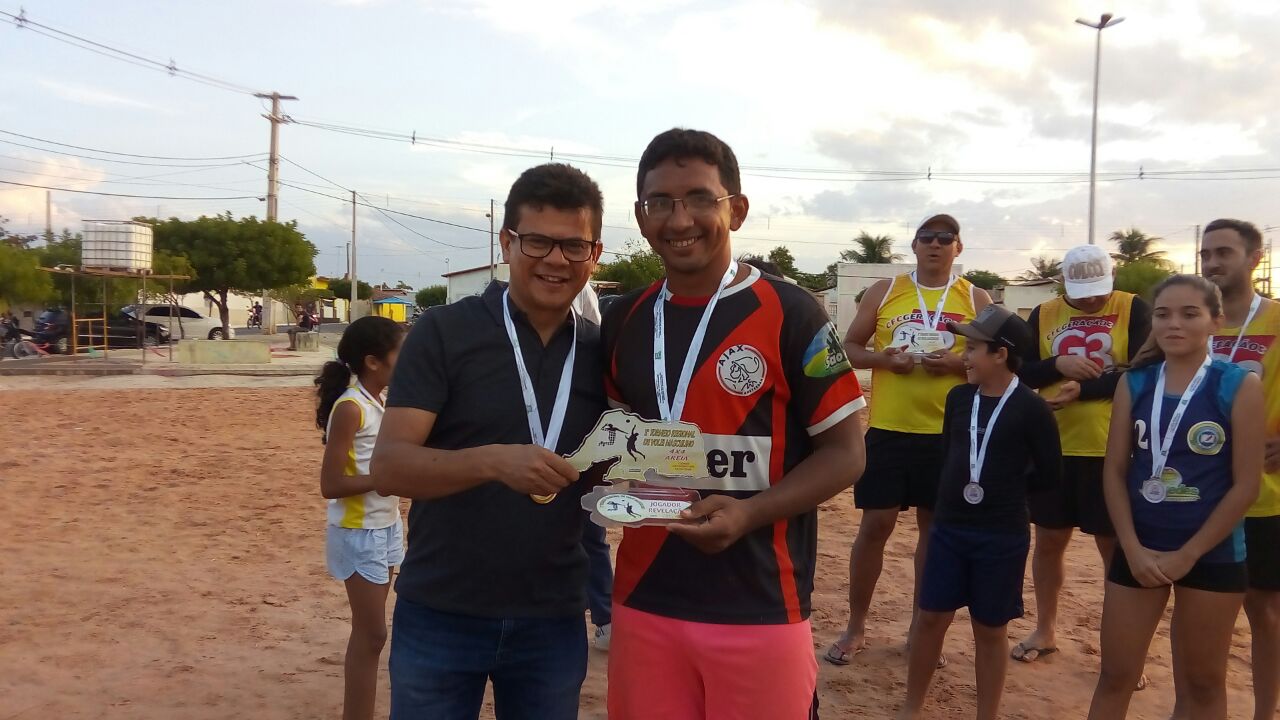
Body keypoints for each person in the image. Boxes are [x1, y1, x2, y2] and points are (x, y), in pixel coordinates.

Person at [601, 128, 867, 719]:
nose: (679, 219)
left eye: (699, 198)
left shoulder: (791, 310)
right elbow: (612, 440)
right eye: (659, 203)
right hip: (646, 598)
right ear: (641, 218)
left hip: (760, 604)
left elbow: (846, 454)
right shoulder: (623, 319)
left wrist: (749, 512)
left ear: (736, 210)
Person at [371, 163, 608, 720]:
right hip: (442, 610)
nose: (555, 259)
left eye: (574, 245)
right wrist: (492, 462)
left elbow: (619, 459)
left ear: (594, 254)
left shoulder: (605, 349)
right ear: (507, 243)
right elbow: (389, 466)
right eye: (538, 241)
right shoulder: (444, 332)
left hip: (553, 616)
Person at [1087, 275, 1263, 720]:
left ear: (1215, 322)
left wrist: (1189, 554)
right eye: (1163, 314)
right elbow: (1114, 470)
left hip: (1211, 554)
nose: (1174, 324)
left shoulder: (1238, 385)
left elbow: (1246, 485)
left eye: (1190, 314)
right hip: (1140, 547)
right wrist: (1129, 548)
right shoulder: (1136, 382)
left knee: (1202, 685)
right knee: (1115, 677)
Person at [830, 213, 992, 665]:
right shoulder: (885, 290)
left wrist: (958, 364)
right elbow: (851, 347)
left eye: (946, 238)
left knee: (933, 534)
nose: (936, 245)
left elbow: (995, 362)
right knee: (874, 529)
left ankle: (921, 632)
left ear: (958, 248)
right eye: (927, 238)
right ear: (915, 245)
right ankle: (856, 626)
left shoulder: (975, 298)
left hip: (948, 434)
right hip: (888, 429)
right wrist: (883, 360)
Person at [899, 304, 1061, 720]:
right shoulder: (959, 398)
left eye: (973, 347)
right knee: (931, 618)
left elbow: (1048, 473)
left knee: (990, 630)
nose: (964, 355)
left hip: (1002, 535)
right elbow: (949, 454)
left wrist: (1005, 496)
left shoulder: (1032, 408)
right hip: (950, 528)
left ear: (1001, 354)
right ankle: (911, 707)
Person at [1013, 245, 1151, 665]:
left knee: (1113, 549)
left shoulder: (1133, 308)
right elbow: (1024, 371)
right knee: (1050, 541)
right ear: (1064, 283)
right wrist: (1059, 364)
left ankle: (1122, 651)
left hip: (1112, 448)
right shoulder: (1044, 314)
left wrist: (1085, 387)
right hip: (1054, 445)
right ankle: (1046, 629)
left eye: (1098, 290)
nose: (1092, 300)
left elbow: (1145, 370)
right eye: (1082, 291)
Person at [1200, 218, 1280, 720]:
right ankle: (1198, 707)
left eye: (1224, 252)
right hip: (1196, 491)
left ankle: (1266, 712)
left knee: (1265, 610)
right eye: (1206, 253)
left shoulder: (1276, 318)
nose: (1211, 263)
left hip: (1263, 494)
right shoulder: (1191, 319)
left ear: (1255, 258)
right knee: (1201, 612)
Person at [314, 315, 406, 720]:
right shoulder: (350, 407)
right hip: (358, 531)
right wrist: (384, 478)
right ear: (373, 361)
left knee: (371, 636)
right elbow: (331, 483)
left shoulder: (378, 400)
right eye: (399, 353)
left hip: (386, 526)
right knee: (372, 636)